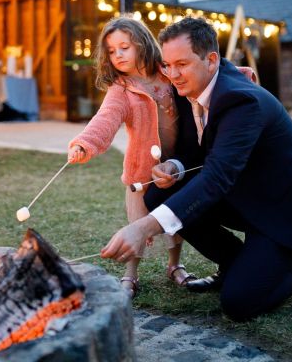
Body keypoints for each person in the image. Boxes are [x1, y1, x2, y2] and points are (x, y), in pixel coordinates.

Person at [100, 17, 292, 321]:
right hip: (243, 195)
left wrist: (143, 227)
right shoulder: (189, 87)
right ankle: (236, 263)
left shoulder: (241, 100)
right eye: (167, 65)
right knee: (158, 196)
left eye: (182, 64)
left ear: (211, 60)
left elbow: (216, 177)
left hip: (283, 208)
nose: (172, 75)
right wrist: (175, 166)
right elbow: (194, 152)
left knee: (238, 303)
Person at [67, 17, 196, 297]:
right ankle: (131, 273)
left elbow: (204, 75)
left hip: (176, 166)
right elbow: (105, 120)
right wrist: (85, 143)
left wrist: (242, 74)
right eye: (112, 51)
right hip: (142, 173)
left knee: (175, 220)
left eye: (124, 47)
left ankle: (175, 264)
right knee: (138, 223)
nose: (118, 55)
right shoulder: (122, 91)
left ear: (142, 43)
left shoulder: (167, 74)